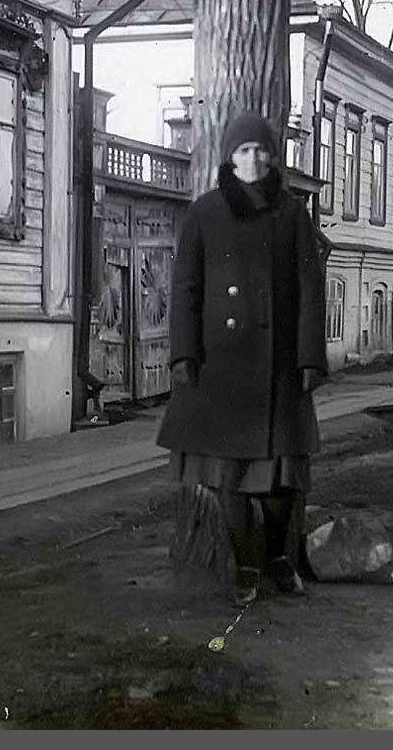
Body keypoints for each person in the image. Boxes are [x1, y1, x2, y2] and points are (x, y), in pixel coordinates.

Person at [158, 112, 329, 607]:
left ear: (272, 157)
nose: (252, 159)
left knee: (283, 484)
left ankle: (278, 557)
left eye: (260, 150)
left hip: (278, 368)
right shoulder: (205, 213)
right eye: (243, 151)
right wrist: (184, 353)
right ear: (229, 159)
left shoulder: (291, 213)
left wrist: (309, 359)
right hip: (222, 368)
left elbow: (310, 290)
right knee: (229, 477)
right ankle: (246, 568)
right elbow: (185, 287)